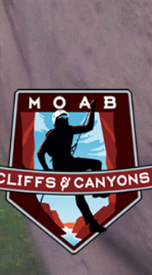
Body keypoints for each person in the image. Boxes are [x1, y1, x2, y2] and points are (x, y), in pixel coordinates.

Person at [37, 100, 108, 234]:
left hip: (70, 162)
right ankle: (97, 191)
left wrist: (92, 110)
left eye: (66, 118)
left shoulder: (69, 130)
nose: (65, 120)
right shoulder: (53, 135)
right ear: (57, 121)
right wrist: (46, 170)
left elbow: (88, 127)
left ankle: (92, 221)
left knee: (81, 190)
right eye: (62, 118)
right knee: (94, 166)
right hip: (61, 166)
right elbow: (40, 153)